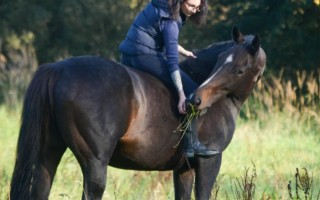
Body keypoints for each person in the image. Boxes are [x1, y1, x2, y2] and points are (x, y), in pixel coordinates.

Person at [119, 0, 218, 157]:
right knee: (192, 91)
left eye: (198, 6)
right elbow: (172, 62)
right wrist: (181, 94)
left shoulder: (163, 5)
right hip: (143, 55)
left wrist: (182, 50)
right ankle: (191, 145)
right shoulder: (171, 19)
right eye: (191, 5)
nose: (195, 10)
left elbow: (157, 33)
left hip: (129, 53)